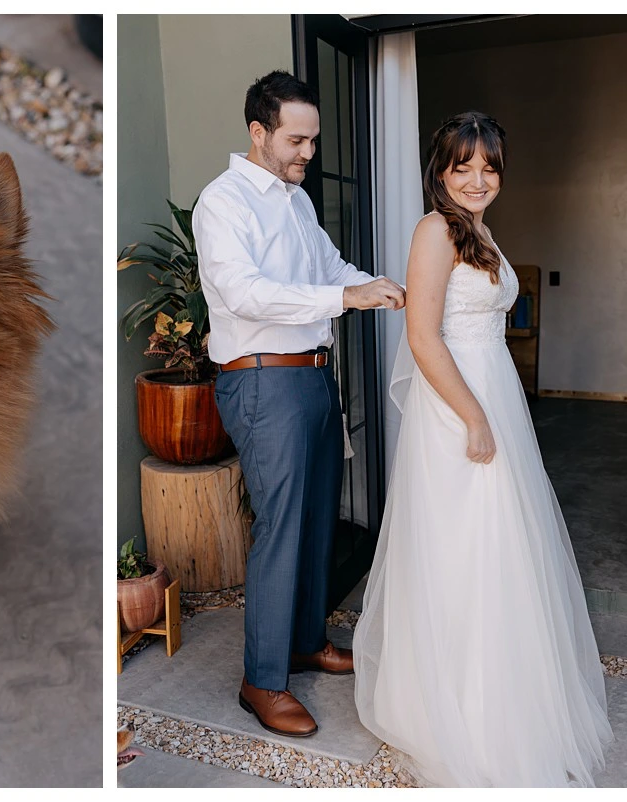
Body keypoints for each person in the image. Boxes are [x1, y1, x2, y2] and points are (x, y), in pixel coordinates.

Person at [352, 112, 612, 786]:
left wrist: (493, 410)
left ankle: (501, 688)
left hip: (494, 393)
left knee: (501, 545)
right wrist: (473, 417)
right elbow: (422, 336)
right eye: (462, 166)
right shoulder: (435, 230)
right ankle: (454, 703)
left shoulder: (479, 230)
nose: (476, 179)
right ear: (439, 171)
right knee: (464, 544)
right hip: (457, 407)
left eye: (488, 167)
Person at [193, 70, 405, 738]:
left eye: (313, 140)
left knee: (317, 519)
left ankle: (307, 643)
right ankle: (262, 680)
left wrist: (376, 285)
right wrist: (345, 298)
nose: (308, 153)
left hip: (313, 378)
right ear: (258, 132)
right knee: (282, 527)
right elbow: (246, 293)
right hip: (263, 382)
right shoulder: (222, 202)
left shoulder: (297, 202)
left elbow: (330, 269)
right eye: (296, 140)